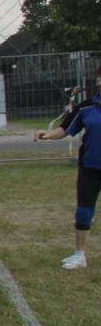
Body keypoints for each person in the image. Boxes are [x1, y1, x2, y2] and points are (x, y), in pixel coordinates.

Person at [34, 74, 101, 270]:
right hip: (90, 168)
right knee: (83, 213)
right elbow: (65, 129)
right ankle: (79, 256)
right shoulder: (86, 107)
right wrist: (47, 135)